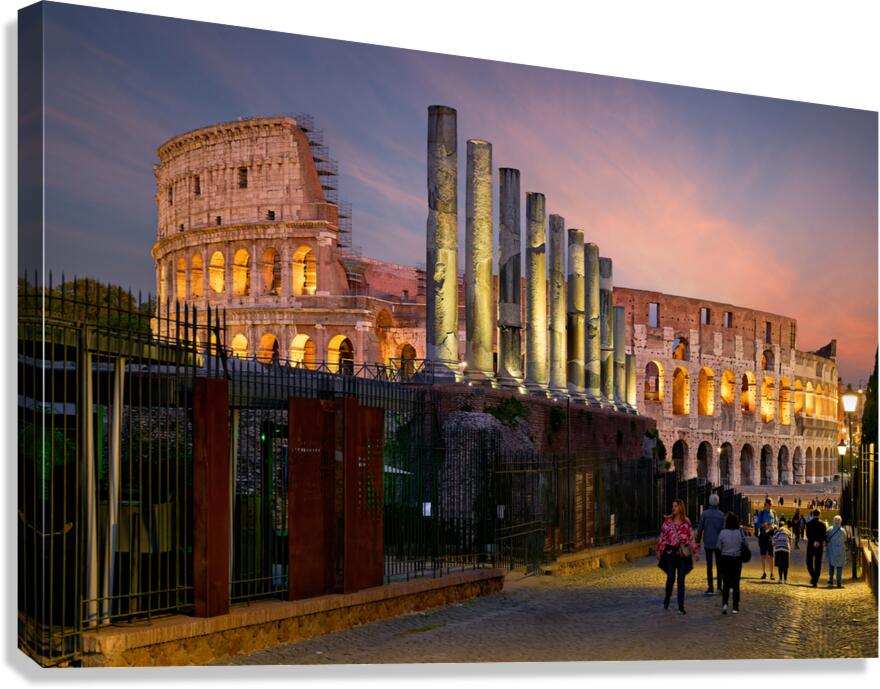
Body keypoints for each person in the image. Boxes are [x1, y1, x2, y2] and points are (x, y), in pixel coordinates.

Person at [656, 498, 700, 614]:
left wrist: (695, 552)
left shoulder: (686, 522)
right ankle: (667, 597)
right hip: (670, 553)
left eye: (675, 506)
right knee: (670, 578)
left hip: (682, 555)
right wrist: (659, 550)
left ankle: (681, 606)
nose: (673, 508)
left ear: (681, 508)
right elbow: (662, 537)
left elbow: (691, 537)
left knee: (681, 580)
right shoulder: (667, 522)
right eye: (672, 506)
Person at [696, 493, 725, 595]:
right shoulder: (721, 515)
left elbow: (700, 529)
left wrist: (698, 541)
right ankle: (719, 587)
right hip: (719, 543)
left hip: (708, 542)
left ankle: (710, 587)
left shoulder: (705, 514)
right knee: (719, 565)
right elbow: (723, 530)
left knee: (709, 565)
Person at [717, 512, 745, 614]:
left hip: (725, 558)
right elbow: (744, 543)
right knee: (736, 582)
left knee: (726, 582)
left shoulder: (722, 532)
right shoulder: (740, 532)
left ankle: (725, 604)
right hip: (737, 559)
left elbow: (718, 546)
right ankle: (735, 606)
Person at [755, 498, 778, 580]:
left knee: (772, 555)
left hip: (771, 536)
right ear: (765, 505)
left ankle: (772, 573)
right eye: (769, 505)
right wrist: (763, 525)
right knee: (763, 555)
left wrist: (773, 526)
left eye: (771, 505)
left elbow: (777, 524)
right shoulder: (761, 513)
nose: (770, 507)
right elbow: (757, 524)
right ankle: (764, 572)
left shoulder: (774, 513)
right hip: (763, 536)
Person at [804, 509, 827, 587]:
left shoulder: (809, 524)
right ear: (820, 514)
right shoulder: (823, 524)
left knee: (808, 562)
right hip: (819, 546)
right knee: (818, 563)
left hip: (811, 545)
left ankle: (813, 576)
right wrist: (818, 542)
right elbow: (824, 536)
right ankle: (815, 579)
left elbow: (807, 535)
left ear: (813, 514)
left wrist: (813, 541)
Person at [826, 515, 846, 588]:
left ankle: (831, 579)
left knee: (831, 564)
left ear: (834, 521)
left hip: (832, 549)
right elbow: (845, 539)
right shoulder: (843, 530)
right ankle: (839, 582)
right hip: (840, 550)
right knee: (839, 566)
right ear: (840, 521)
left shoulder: (829, 529)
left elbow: (827, 538)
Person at [773, 517, 793, 583]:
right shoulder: (788, 531)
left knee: (780, 565)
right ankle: (785, 579)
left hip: (779, 549)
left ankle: (780, 579)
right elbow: (790, 541)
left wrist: (774, 545)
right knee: (785, 565)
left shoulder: (777, 531)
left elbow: (774, 540)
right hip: (786, 549)